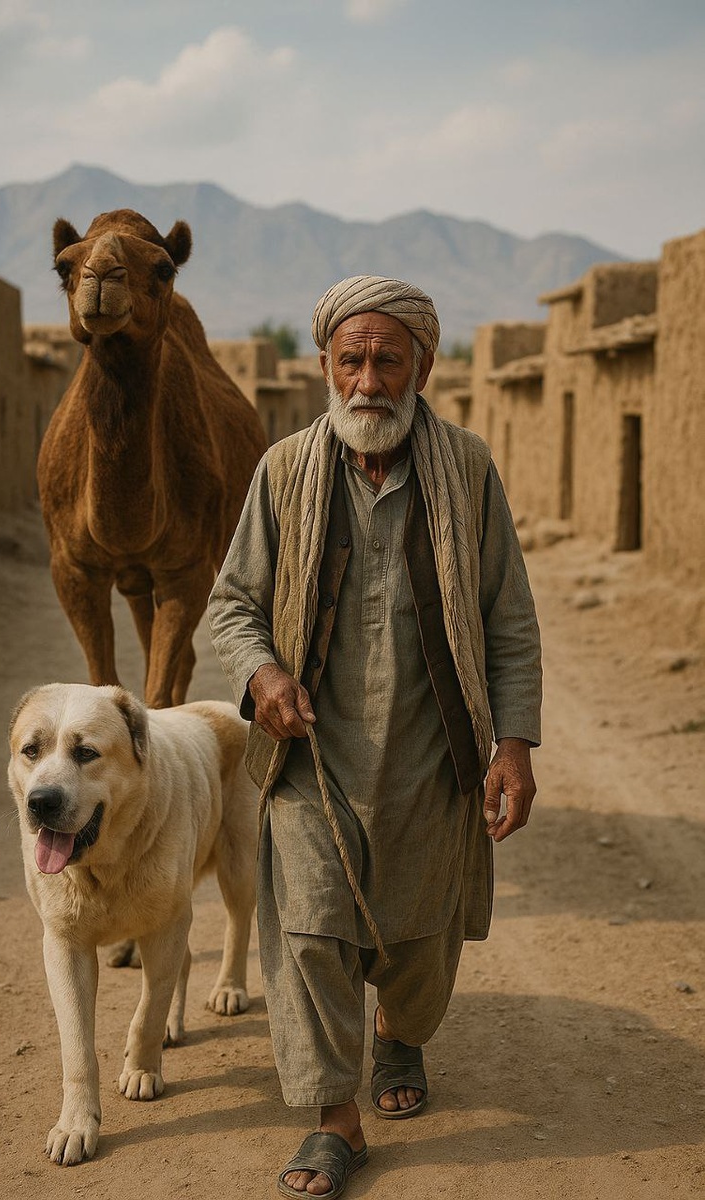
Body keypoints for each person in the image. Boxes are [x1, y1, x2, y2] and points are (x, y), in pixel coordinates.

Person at [208, 275, 542, 1198]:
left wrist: (513, 743)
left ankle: (401, 1034)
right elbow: (232, 606)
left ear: (423, 366)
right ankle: (332, 1120)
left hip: (435, 756)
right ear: (323, 364)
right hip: (312, 754)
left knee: (421, 938)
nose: (366, 380)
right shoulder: (283, 471)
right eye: (349, 359)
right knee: (310, 932)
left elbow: (507, 614)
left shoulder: (467, 468)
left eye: (386, 359)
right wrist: (263, 672)